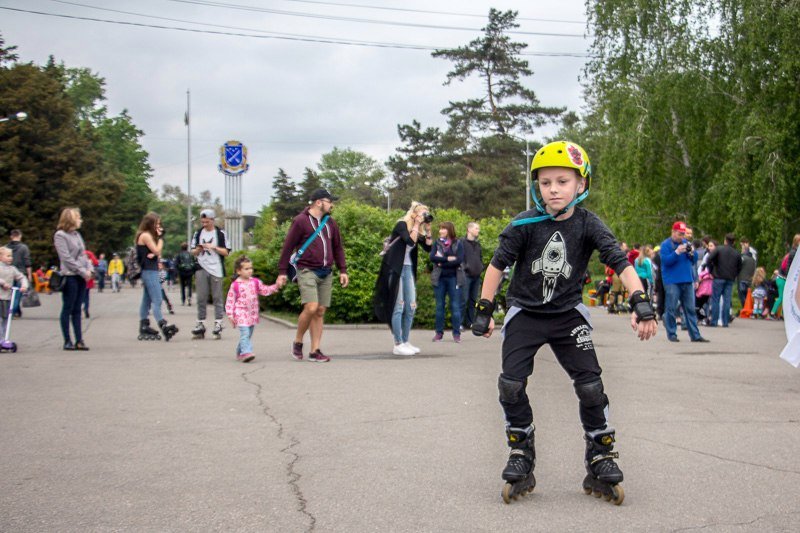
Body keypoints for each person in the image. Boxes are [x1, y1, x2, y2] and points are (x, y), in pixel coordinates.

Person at [472, 141, 658, 504]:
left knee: (590, 386)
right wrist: (484, 306)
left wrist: (640, 301)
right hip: (525, 313)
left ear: (581, 185)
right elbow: (497, 265)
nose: (553, 189)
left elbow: (619, 262)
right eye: (545, 183)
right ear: (535, 187)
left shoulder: (589, 224)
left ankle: (601, 454)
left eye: (562, 181)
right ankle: (521, 451)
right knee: (510, 385)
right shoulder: (523, 225)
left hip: (568, 315)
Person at [277, 189, 348, 362]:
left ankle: (315, 350)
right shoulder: (300, 221)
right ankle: (298, 340)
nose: (332, 205)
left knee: (320, 311)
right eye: (329, 201)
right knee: (311, 307)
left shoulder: (330, 222)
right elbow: (287, 247)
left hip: (326, 271)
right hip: (307, 270)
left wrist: (343, 270)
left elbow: (338, 247)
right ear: (318, 202)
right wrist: (282, 273)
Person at [372, 201, 433, 356]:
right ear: (413, 214)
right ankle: (398, 343)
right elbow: (409, 241)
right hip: (395, 268)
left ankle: (405, 341)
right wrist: (416, 224)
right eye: (422, 214)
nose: (423, 217)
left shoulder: (417, 229)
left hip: (407, 269)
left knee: (411, 306)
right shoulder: (401, 225)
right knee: (399, 306)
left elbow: (428, 248)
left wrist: (427, 230)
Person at [225, 255, 282, 363]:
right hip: (240, 312)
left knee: (247, 335)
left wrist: (276, 286)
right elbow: (230, 301)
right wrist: (230, 315)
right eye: (246, 269)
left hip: (252, 314)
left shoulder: (255, 282)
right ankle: (246, 353)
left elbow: (265, 290)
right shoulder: (235, 285)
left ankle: (240, 352)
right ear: (238, 271)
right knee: (245, 333)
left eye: (251, 268)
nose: (250, 271)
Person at [660, 222, 709, 342]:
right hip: (672, 281)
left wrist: (692, 252)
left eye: (683, 234)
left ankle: (695, 335)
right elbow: (666, 261)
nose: (682, 236)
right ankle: (672, 334)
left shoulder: (686, 243)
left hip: (687, 280)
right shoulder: (666, 245)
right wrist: (677, 252)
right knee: (671, 308)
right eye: (680, 234)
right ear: (673, 232)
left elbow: (694, 260)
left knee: (690, 309)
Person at [54, 208, 93, 350]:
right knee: (68, 307)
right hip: (69, 275)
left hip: (81, 276)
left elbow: (83, 254)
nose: (81, 220)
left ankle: (79, 339)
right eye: (78, 217)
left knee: (78, 308)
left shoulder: (77, 235)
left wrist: (89, 269)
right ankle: (67, 340)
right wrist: (82, 271)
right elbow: (66, 258)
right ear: (70, 219)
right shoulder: (60, 235)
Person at [135, 213, 179, 341]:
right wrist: (160, 240)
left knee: (147, 300)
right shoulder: (146, 235)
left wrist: (154, 253)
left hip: (149, 270)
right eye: (157, 224)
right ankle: (163, 324)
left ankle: (144, 325)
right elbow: (157, 251)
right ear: (150, 224)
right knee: (157, 299)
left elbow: (154, 254)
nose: (159, 226)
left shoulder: (145, 235)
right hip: (149, 271)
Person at [190, 209, 231, 340]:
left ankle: (218, 323)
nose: (204, 224)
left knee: (217, 297)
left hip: (216, 268)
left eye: (207, 222)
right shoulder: (198, 233)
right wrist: (198, 249)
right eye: (202, 222)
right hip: (201, 267)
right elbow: (192, 252)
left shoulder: (220, 234)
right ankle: (200, 323)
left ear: (213, 220)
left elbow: (226, 252)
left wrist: (213, 247)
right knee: (201, 297)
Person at [430, 221, 465, 343]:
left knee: (455, 306)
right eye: (440, 229)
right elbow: (432, 258)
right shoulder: (437, 243)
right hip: (439, 278)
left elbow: (459, 260)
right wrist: (447, 259)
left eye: (443, 229)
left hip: (454, 278)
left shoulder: (458, 243)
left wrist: (442, 262)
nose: (440, 231)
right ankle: (439, 333)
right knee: (440, 306)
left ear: (449, 230)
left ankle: (456, 334)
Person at [706, 233, 743, 327]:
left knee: (715, 299)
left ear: (725, 240)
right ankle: (725, 322)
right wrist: (734, 274)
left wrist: (711, 270)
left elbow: (709, 259)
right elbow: (740, 267)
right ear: (734, 242)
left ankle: (714, 321)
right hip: (730, 278)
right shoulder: (737, 253)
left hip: (718, 277)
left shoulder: (719, 249)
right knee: (727, 300)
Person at [0, 246, 28, 337]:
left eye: (11, 256)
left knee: (6, 318)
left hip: (7, 298)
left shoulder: (12, 269)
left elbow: (21, 277)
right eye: (8, 256)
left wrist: (24, 285)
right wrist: (3, 283)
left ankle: (3, 338)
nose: (10, 258)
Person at [460, 221, 484, 330]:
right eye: (476, 228)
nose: (478, 230)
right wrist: (465, 268)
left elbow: (480, 258)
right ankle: (459, 324)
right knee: (463, 299)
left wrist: (481, 267)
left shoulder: (478, 244)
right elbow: (459, 258)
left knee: (473, 300)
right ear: (469, 230)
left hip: (476, 276)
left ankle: (469, 323)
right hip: (466, 276)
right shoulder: (461, 243)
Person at [771, 234, 800, 319]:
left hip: (782, 278)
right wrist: (790, 278)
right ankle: (773, 312)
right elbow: (789, 268)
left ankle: (784, 315)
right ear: (797, 241)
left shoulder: (792, 252)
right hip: (783, 279)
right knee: (782, 297)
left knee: (786, 297)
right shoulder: (794, 253)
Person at [6, 230, 31, 318]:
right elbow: (27, 263)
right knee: (17, 296)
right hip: (21, 273)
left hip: (9, 274)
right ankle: (11, 313)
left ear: (11, 236)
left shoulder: (6, 248)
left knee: (10, 295)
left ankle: (17, 312)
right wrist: (29, 275)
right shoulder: (24, 248)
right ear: (20, 236)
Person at [737, 239, 756, 309]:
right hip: (750, 280)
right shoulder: (753, 260)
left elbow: (738, 267)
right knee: (748, 295)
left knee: (742, 295)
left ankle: (745, 308)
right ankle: (748, 308)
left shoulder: (742, 258)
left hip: (742, 279)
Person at [83, 249, 98, 318]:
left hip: (81, 279)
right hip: (88, 279)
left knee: (80, 296)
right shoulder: (90, 256)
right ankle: (86, 308)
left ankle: (80, 309)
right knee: (86, 296)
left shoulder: (78, 256)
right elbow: (96, 263)